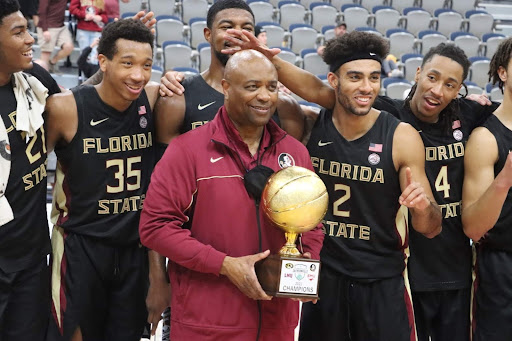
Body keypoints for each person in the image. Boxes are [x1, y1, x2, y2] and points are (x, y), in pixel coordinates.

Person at [222, 27, 498, 340]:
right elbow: (309, 88)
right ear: (334, 81)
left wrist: (421, 206)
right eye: (355, 77)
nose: (366, 87)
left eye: (374, 78)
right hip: (323, 278)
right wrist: (266, 57)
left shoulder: (402, 136)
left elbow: (431, 226)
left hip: (382, 282)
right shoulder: (315, 123)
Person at [139, 48, 324, 341]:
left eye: (271, 86)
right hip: (206, 324)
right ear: (226, 88)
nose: (265, 96)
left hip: (277, 324)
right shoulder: (187, 150)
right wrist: (224, 265)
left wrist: (305, 265)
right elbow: (154, 228)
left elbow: (312, 222)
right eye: (252, 86)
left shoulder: (295, 152)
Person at [44, 18, 166, 341]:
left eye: (146, 65)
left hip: (133, 249)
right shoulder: (65, 108)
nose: (138, 74)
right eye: (128, 63)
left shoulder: (153, 98)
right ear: (103, 62)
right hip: (80, 245)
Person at [0, 1, 61, 340]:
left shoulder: (33, 77)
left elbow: (77, 105)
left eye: (28, 29)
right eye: (18, 32)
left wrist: (111, 66)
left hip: (32, 256)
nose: (30, 40)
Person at [462, 37, 512, 341]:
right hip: (502, 268)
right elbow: (472, 226)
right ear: (502, 72)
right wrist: (504, 180)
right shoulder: (486, 138)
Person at [37, 0, 74, 73]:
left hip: (61, 26)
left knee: (69, 47)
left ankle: (52, 62)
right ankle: (42, 78)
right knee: (46, 54)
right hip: (48, 26)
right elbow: (42, 11)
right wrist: (45, 29)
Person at [69, 0, 108, 65]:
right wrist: (84, 15)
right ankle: (84, 74)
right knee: (84, 54)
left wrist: (100, 17)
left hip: (97, 30)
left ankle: (93, 74)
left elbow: (105, 15)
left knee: (95, 55)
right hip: (83, 29)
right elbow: (72, 9)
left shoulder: (101, 1)